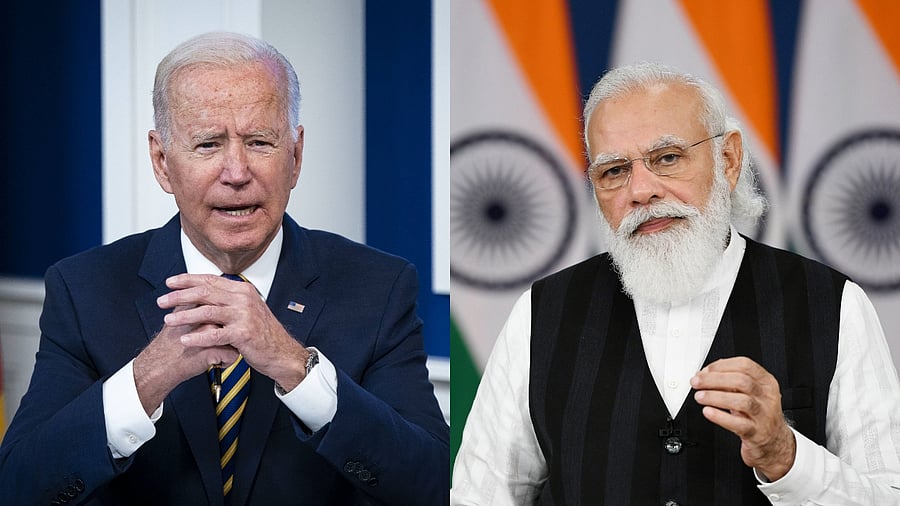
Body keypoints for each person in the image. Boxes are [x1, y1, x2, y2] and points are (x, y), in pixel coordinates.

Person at [0, 32, 448, 505]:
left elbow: (433, 486)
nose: (236, 172)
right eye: (208, 145)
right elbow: (19, 489)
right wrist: (145, 379)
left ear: (295, 157)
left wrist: (297, 368)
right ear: (162, 162)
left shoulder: (379, 288)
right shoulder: (84, 289)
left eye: (259, 141)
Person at [451, 62, 900, 505]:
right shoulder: (543, 311)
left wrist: (786, 455)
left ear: (727, 160)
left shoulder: (831, 304)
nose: (641, 190)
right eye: (614, 171)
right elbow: (481, 495)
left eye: (667, 159)